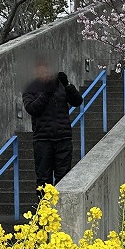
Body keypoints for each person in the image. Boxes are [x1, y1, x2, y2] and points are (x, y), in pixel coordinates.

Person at [22, 60, 83, 193]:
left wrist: (67, 85)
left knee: (64, 178)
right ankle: (43, 210)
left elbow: (77, 101)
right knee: (43, 179)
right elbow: (32, 109)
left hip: (63, 137)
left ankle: (61, 211)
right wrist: (46, 92)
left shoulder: (60, 85)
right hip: (43, 140)